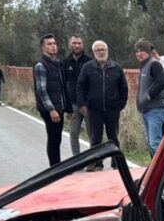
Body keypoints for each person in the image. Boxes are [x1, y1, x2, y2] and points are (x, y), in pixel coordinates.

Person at [75, 40, 128, 171]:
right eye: (98, 50)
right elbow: (80, 86)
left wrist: (120, 104)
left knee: (113, 138)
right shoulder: (87, 67)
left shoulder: (116, 67)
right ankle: (96, 163)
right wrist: (82, 105)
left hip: (112, 109)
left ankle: (116, 163)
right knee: (95, 139)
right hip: (94, 110)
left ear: (107, 50)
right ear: (94, 52)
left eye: (103, 49)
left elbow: (124, 88)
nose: (101, 52)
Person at [33, 34, 72, 167]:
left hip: (59, 107)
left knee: (57, 138)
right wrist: (51, 109)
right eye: (49, 44)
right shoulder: (41, 65)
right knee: (54, 139)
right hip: (50, 109)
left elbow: (62, 87)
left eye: (54, 43)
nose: (53, 46)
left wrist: (67, 108)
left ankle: (57, 166)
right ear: (43, 48)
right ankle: (55, 168)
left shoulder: (58, 64)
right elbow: (41, 90)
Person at [134, 39, 164, 158]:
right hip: (146, 111)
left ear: (148, 51)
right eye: (137, 51)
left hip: (155, 110)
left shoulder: (154, 64)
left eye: (142, 50)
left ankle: (161, 171)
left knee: (155, 144)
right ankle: (154, 170)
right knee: (150, 143)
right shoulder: (143, 66)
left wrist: (148, 97)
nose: (139, 53)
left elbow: (161, 82)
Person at [62, 35, 92, 158]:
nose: (77, 45)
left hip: (89, 104)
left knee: (93, 134)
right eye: (74, 43)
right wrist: (66, 108)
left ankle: (93, 160)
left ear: (83, 45)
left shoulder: (90, 61)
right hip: (73, 105)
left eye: (79, 43)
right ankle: (77, 159)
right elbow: (63, 85)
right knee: (74, 133)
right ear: (70, 45)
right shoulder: (65, 63)